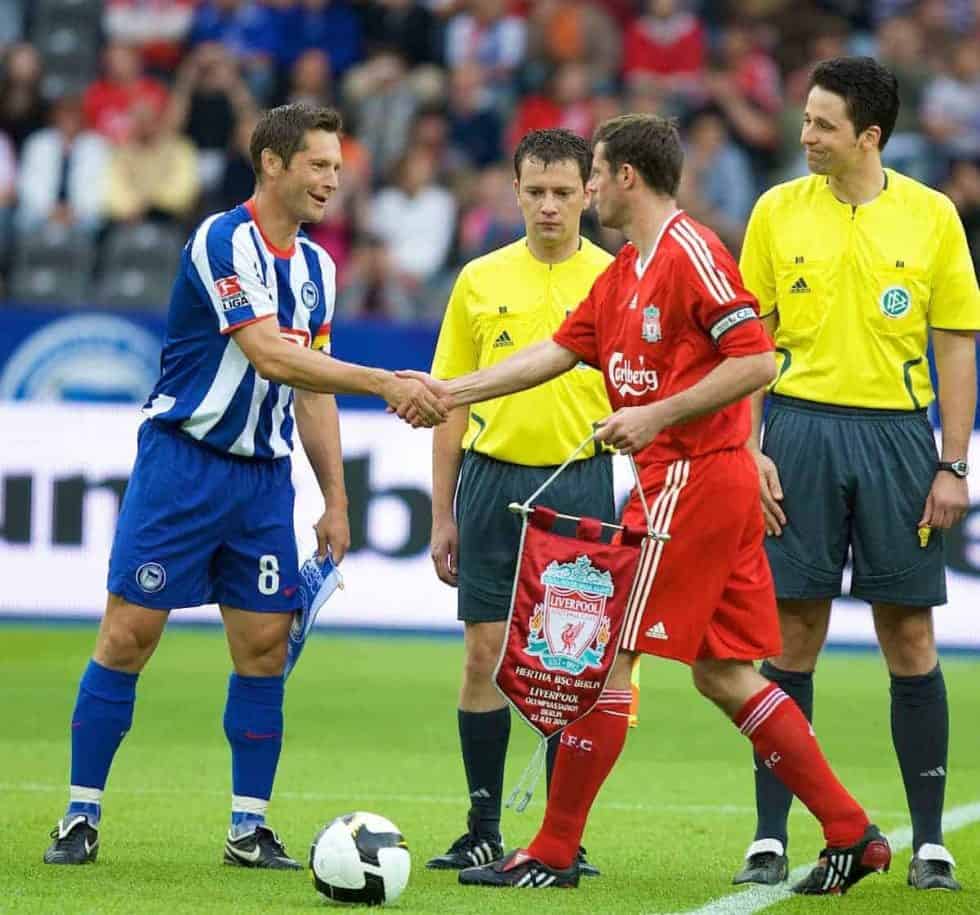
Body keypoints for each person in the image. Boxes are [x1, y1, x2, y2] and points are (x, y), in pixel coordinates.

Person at [401, 113, 891, 895]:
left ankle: (555, 848)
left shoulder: (691, 253)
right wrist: (448, 391)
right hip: (688, 482)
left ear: (627, 176)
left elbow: (758, 359)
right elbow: (558, 352)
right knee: (725, 673)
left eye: (592, 175)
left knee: (604, 660)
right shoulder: (626, 268)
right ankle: (849, 829)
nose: (587, 190)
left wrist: (658, 413)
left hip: (693, 478)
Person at [43, 102, 445, 869]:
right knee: (129, 635)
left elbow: (311, 389)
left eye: (337, 166)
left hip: (264, 480)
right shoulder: (222, 239)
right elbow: (269, 354)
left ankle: (248, 827)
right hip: (182, 466)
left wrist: (336, 496)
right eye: (319, 165)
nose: (334, 179)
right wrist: (387, 383)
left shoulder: (321, 267)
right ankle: (79, 812)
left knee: (264, 648)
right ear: (273, 163)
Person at [733, 57, 980, 892]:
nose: (805, 134)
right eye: (805, 119)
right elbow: (743, 346)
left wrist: (952, 460)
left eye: (822, 124)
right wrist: (748, 444)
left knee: (907, 635)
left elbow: (954, 344)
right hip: (797, 433)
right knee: (788, 635)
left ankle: (930, 841)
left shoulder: (932, 217)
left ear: (869, 136)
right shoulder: (774, 211)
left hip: (898, 443)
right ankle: (770, 834)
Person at [424, 128, 615, 877]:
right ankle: (481, 824)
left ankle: (562, 835)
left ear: (588, 194)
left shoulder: (615, 278)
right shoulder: (478, 279)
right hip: (492, 481)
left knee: (567, 668)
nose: (548, 205)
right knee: (484, 655)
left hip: (579, 485)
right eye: (535, 191)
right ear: (515, 193)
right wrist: (443, 511)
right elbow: (448, 404)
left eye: (563, 192)